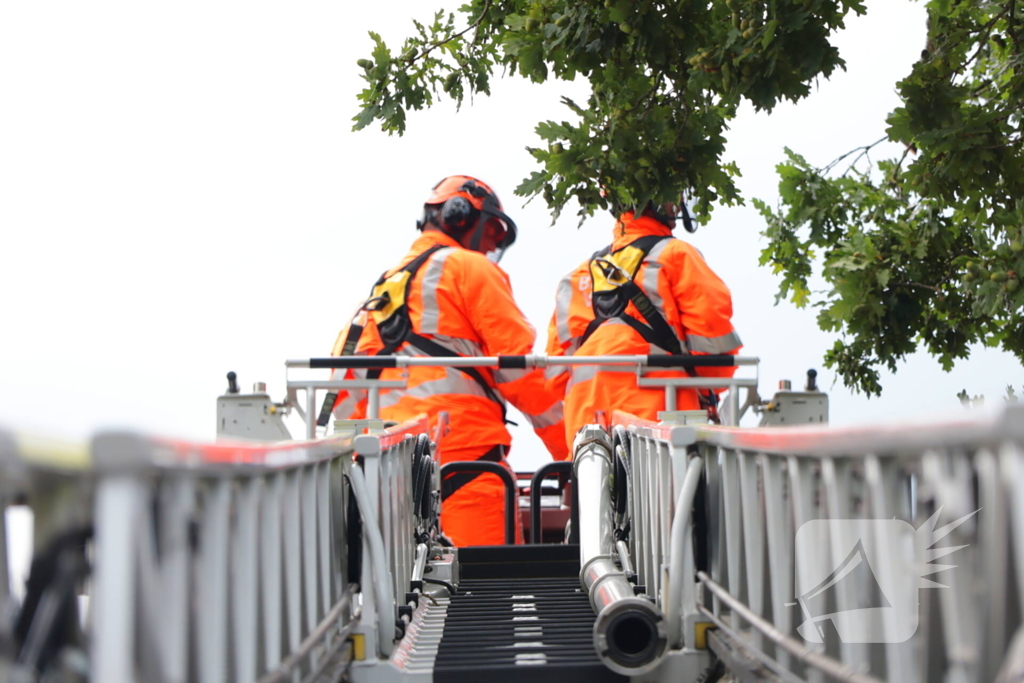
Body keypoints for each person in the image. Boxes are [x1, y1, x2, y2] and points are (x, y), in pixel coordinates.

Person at [328, 175, 568, 546]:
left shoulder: (380, 293)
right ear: (458, 215)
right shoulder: (470, 270)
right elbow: (524, 373)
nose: (491, 246)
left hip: (385, 483)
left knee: (401, 600)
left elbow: (343, 392)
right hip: (467, 471)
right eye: (491, 231)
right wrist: (570, 456)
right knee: (487, 596)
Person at [546, 199, 742, 446]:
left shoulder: (575, 278)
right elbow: (714, 359)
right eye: (673, 198)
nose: (678, 207)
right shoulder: (676, 255)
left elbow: (554, 379)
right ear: (654, 198)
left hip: (585, 437)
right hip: (658, 432)